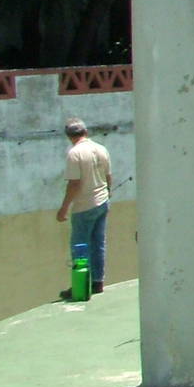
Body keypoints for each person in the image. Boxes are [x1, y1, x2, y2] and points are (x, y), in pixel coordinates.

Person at [56, 118, 113, 300]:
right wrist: (107, 194)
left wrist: (64, 208)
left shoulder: (75, 153)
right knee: (98, 243)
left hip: (84, 206)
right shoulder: (101, 149)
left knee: (80, 247)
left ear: (69, 136)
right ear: (85, 132)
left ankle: (80, 286)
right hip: (102, 201)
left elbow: (74, 184)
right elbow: (108, 176)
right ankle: (97, 282)